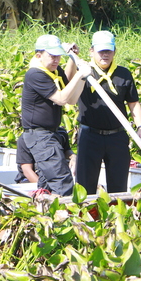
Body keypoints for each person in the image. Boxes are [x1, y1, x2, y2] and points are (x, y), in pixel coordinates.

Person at [76, 31, 141, 194]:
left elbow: (133, 103)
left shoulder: (124, 74)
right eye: (101, 51)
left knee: (118, 187)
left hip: (117, 136)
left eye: (108, 51)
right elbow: (67, 85)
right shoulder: (83, 72)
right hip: (90, 136)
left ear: (114, 51)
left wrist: (140, 127)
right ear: (92, 51)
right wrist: (75, 62)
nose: (105, 55)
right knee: (85, 187)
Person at [20, 34, 90, 196]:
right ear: (39, 56)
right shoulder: (36, 74)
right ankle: (66, 211)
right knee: (62, 180)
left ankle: (45, 209)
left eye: (58, 56)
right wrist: (80, 74)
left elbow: (71, 98)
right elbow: (61, 98)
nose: (56, 60)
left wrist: (75, 64)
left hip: (52, 133)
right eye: (52, 56)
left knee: (47, 183)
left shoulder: (54, 70)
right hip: (39, 136)